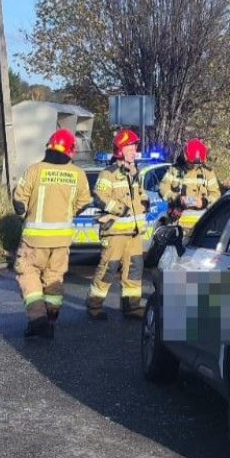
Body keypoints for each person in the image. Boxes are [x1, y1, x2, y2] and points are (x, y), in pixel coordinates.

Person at [12, 128, 92, 338]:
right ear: (71, 152)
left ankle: (37, 317)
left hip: (34, 239)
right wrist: (68, 212)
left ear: (49, 146)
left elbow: (19, 200)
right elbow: (84, 202)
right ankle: (50, 320)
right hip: (62, 240)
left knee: (27, 274)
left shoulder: (35, 170)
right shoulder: (78, 174)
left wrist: (25, 215)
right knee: (54, 278)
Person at [86, 129, 150, 321]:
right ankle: (94, 305)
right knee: (108, 268)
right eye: (130, 147)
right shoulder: (109, 173)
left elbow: (140, 195)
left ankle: (132, 306)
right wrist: (120, 209)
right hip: (115, 233)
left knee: (134, 269)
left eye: (135, 147)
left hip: (134, 233)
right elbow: (99, 197)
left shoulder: (134, 172)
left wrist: (145, 202)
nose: (134, 150)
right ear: (120, 150)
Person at [159, 138, 221, 217]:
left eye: (197, 163)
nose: (194, 165)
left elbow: (216, 195)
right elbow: (163, 188)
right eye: (192, 163)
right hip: (177, 219)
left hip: (201, 221)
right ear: (185, 158)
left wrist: (204, 202)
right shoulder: (174, 170)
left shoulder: (207, 173)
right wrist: (177, 199)